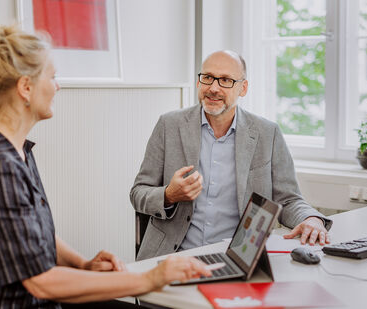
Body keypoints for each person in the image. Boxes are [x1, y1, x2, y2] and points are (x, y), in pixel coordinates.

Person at [0, 17, 211, 309]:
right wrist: (148, 279)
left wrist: (82, 263)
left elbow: (34, 235)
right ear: (26, 88)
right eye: (52, 77)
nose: (58, 87)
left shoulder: (16, 150)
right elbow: (41, 281)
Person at [130, 50, 333, 261]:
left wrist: (311, 219)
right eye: (207, 78)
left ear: (242, 88)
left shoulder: (267, 133)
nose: (214, 88)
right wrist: (169, 195)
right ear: (199, 82)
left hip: (238, 258)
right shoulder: (169, 125)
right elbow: (138, 193)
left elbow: (288, 199)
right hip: (173, 257)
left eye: (225, 80)